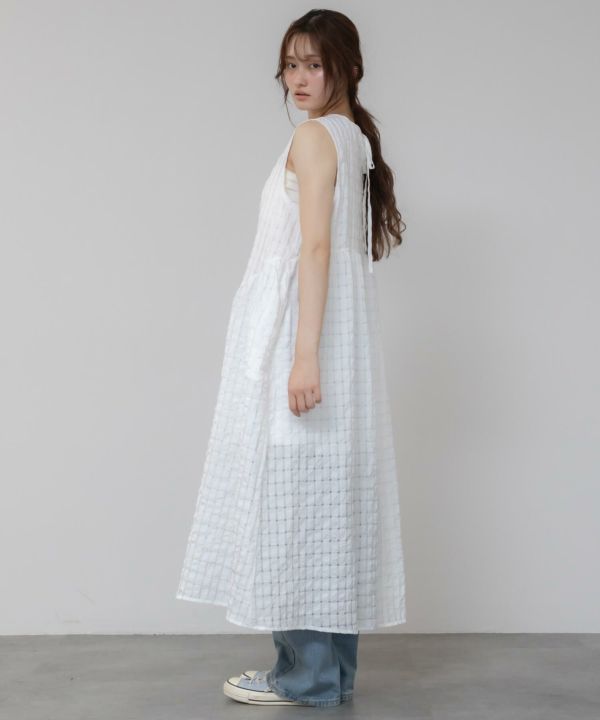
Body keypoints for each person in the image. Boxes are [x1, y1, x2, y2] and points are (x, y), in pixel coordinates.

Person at [176, 9, 407, 708]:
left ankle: (302, 677)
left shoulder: (314, 137)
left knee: (293, 500)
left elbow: (314, 247)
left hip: (304, 340)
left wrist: (302, 357)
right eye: (291, 64)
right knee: (325, 500)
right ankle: (328, 675)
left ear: (349, 69)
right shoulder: (353, 138)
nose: (299, 78)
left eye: (315, 64)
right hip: (335, 341)